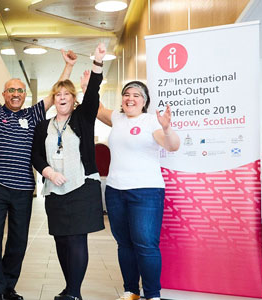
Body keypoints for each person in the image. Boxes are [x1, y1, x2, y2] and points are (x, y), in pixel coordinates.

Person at [0, 31, 77, 300]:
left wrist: (69, 65)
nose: (15, 94)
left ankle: (8, 286)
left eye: (20, 90)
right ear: (3, 94)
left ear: (25, 95)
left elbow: (56, 94)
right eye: (11, 90)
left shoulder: (33, 114)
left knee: (18, 242)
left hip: (24, 189)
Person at [31, 43, 107, 300]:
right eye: (58, 94)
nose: (62, 97)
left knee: (76, 240)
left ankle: (74, 293)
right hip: (55, 190)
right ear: (54, 99)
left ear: (74, 99)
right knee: (61, 241)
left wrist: (97, 62)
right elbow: (36, 155)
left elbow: (94, 92)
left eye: (67, 94)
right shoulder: (43, 127)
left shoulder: (83, 118)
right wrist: (48, 172)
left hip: (81, 188)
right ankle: (69, 287)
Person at [96, 75, 180, 299]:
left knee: (145, 244)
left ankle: (153, 294)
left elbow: (172, 146)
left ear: (145, 101)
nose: (130, 99)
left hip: (146, 192)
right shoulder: (117, 118)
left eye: (136, 95)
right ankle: (130, 291)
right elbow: (97, 108)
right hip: (115, 190)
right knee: (124, 244)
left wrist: (167, 128)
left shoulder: (152, 121)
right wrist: (89, 85)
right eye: (126, 94)